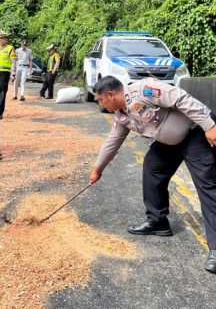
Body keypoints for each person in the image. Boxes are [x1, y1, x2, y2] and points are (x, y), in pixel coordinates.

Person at [89, 75, 216, 275]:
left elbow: (180, 97)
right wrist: (98, 168)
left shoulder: (145, 89)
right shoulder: (123, 115)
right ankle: (158, 221)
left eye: (100, 99)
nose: (100, 104)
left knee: (207, 185)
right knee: (152, 167)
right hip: (168, 142)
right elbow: (113, 141)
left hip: (194, 133)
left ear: (110, 94)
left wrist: (209, 125)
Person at [12, 38, 33, 102]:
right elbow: (14, 60)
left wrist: (30, 69)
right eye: (23, 45)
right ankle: (15, 95)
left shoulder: (29, 51)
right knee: (16, 81)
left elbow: (30, 60)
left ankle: (22, 96)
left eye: (25, 45)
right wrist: (13, 69)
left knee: (23, 81)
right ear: (21, 44)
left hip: (25, 67)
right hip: (18, 66)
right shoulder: (17, 50)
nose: (24, 46)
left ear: (27, 45)